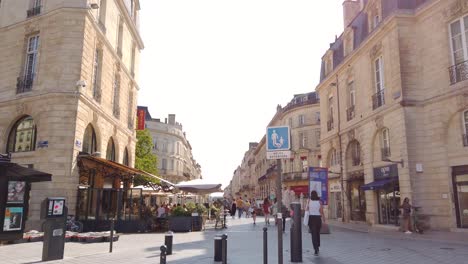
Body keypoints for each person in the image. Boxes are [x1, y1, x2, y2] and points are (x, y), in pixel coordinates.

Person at [307, 190, 324, 256]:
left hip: (311, 219)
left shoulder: (309, 201)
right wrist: (324, 219)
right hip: (318, 218)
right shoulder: (319, 202)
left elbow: (307, 210)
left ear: (311, 195)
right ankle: (318, 245)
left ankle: (316, 249)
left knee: (313, 234)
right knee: (317, 233)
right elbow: (321, 211)